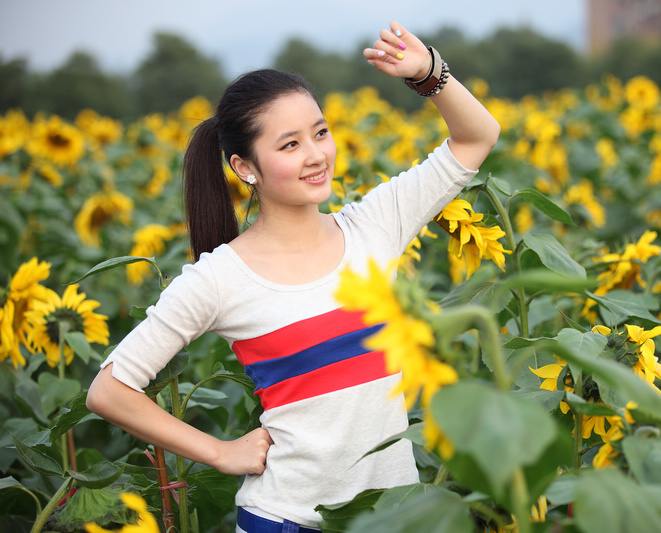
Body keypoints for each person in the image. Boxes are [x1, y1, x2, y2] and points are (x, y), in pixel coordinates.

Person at [86, 20, 500, 532]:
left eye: (320, 133)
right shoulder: (220, 276)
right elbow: (109, 390)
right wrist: (219, 452)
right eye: (289, 145)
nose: (316, 155)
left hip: (394, 517)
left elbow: (478, 136)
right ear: (245, 167)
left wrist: (428, 74)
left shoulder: (375, 225)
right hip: (287, 519)